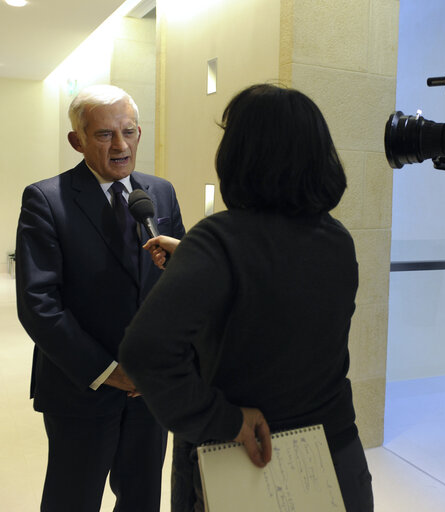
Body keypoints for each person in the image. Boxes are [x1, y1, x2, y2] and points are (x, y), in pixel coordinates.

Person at [119, 83, 374, 512]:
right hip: (334, 453)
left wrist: (227, 420)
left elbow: (144, 352)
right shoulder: (336, 239)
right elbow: (279, 300)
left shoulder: (218, 240)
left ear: (241, 154)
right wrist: (200, 264)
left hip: (246, 457)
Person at [15, 84, 186, 511]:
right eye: (104, 134)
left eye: (129, 132)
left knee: (143, 497)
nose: (121, 145)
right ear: (77, 141)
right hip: (82, 385)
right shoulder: (46, 200)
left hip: (148, 387)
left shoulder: (159, 192)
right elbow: (39, 304)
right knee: (73, 498)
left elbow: (179, 288)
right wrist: (110, 371)